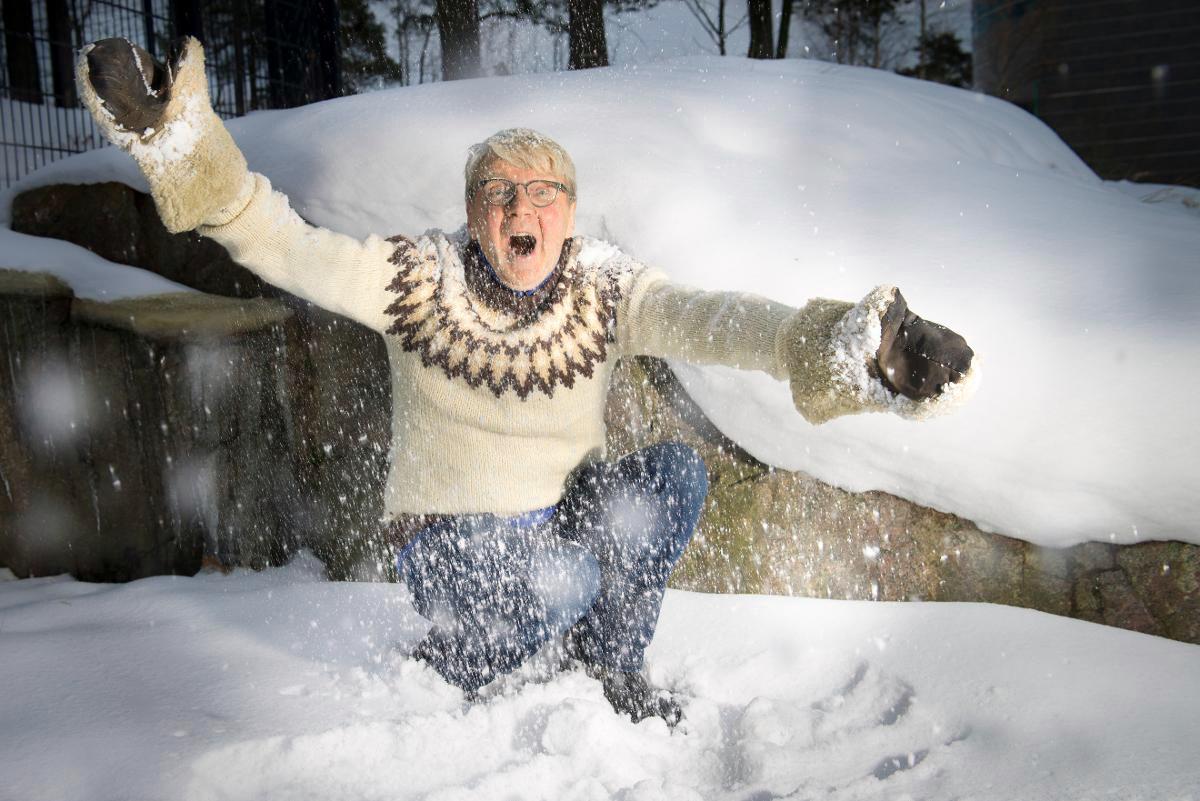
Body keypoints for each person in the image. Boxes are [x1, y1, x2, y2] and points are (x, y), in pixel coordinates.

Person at [75, 37, 977, 727]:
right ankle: (461, 655)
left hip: (562, 527)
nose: (520, 208)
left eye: (542, 191)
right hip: (452, 541)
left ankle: (610, 665)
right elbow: (288, 245)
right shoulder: (416, 277)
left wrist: (851, 346)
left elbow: (720, 319)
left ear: (570, 213)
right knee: (564, 580)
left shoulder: (605, 286)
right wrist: (186, 151)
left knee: (669, 479)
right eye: (499, 191)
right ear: (473, 209)